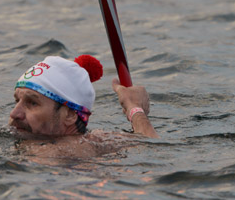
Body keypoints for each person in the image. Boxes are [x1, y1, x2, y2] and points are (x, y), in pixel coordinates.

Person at [9, 55, 158, 143]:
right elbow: (148, 142)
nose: (14, 113)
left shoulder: (50, 153)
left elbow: (151, 150)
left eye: (32, 103)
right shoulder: (101, 141)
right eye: (17, 101)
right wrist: (135, 108)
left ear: (70, 115)